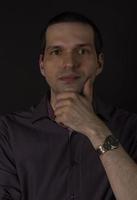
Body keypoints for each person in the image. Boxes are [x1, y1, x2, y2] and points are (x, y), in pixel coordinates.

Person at [0, 11, 137, 200]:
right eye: (56, 52)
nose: (69, 63)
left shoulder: (131, 127)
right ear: (42, 65)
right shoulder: (7, 132)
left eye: (82, 51)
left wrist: (95, 128)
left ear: (99, 62)